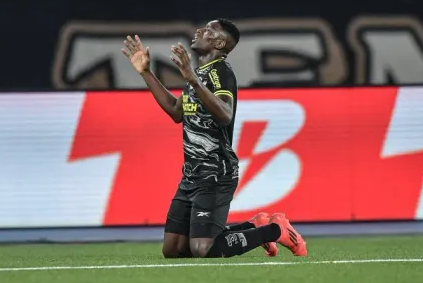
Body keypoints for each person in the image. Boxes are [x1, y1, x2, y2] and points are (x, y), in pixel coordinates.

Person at [121, 19, 307, 259]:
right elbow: (176, 112)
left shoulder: (221, 71)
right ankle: (252, 227)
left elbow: (225, 114)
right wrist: (146, 72)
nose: (200, 31)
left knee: (202, 249)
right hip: (191, 174)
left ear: (219, 43)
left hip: (216, 173)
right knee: (174, 250)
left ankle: (275, 230)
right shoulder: (198, 75)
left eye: (208, 30)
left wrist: (193, 80)